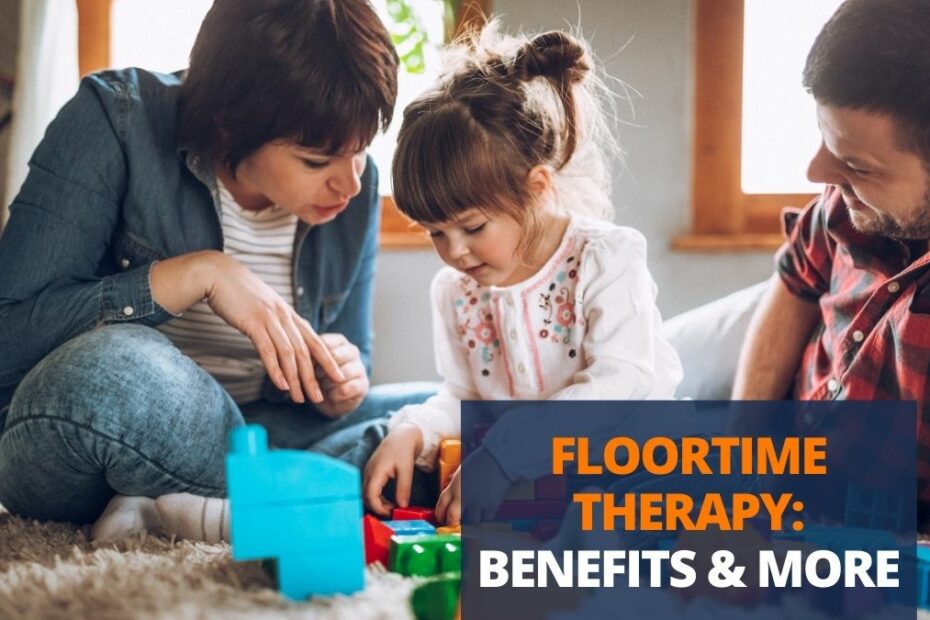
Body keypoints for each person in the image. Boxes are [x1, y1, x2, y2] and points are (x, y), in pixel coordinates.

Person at [0, 0, 433, 540]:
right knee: (114, 367)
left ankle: (182, 505)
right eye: (316, 161)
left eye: (362, 150)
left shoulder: (354, 188)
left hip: (263, 427)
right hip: (93, 431)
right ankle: (292, 491)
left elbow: (347, 360)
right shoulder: (115, 120)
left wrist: (338, 384)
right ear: (229, 124)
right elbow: (10, 340)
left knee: (435, 413)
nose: (349, 184)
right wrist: (199, 274)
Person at [362, 27, 684, 525]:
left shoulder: (605, 258)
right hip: (534, 481)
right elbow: (463, 397)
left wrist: (504, 457)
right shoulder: (455, 291)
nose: (455, 251)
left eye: (471, 226)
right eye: (434, 233)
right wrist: (414, 431)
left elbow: (622, 382)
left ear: (536, 189)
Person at [732, 0, 930, 500]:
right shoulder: (851, 201)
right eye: (824, 138)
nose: (816, 173)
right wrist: (740, 469)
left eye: (857, 165)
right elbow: (795, 284)